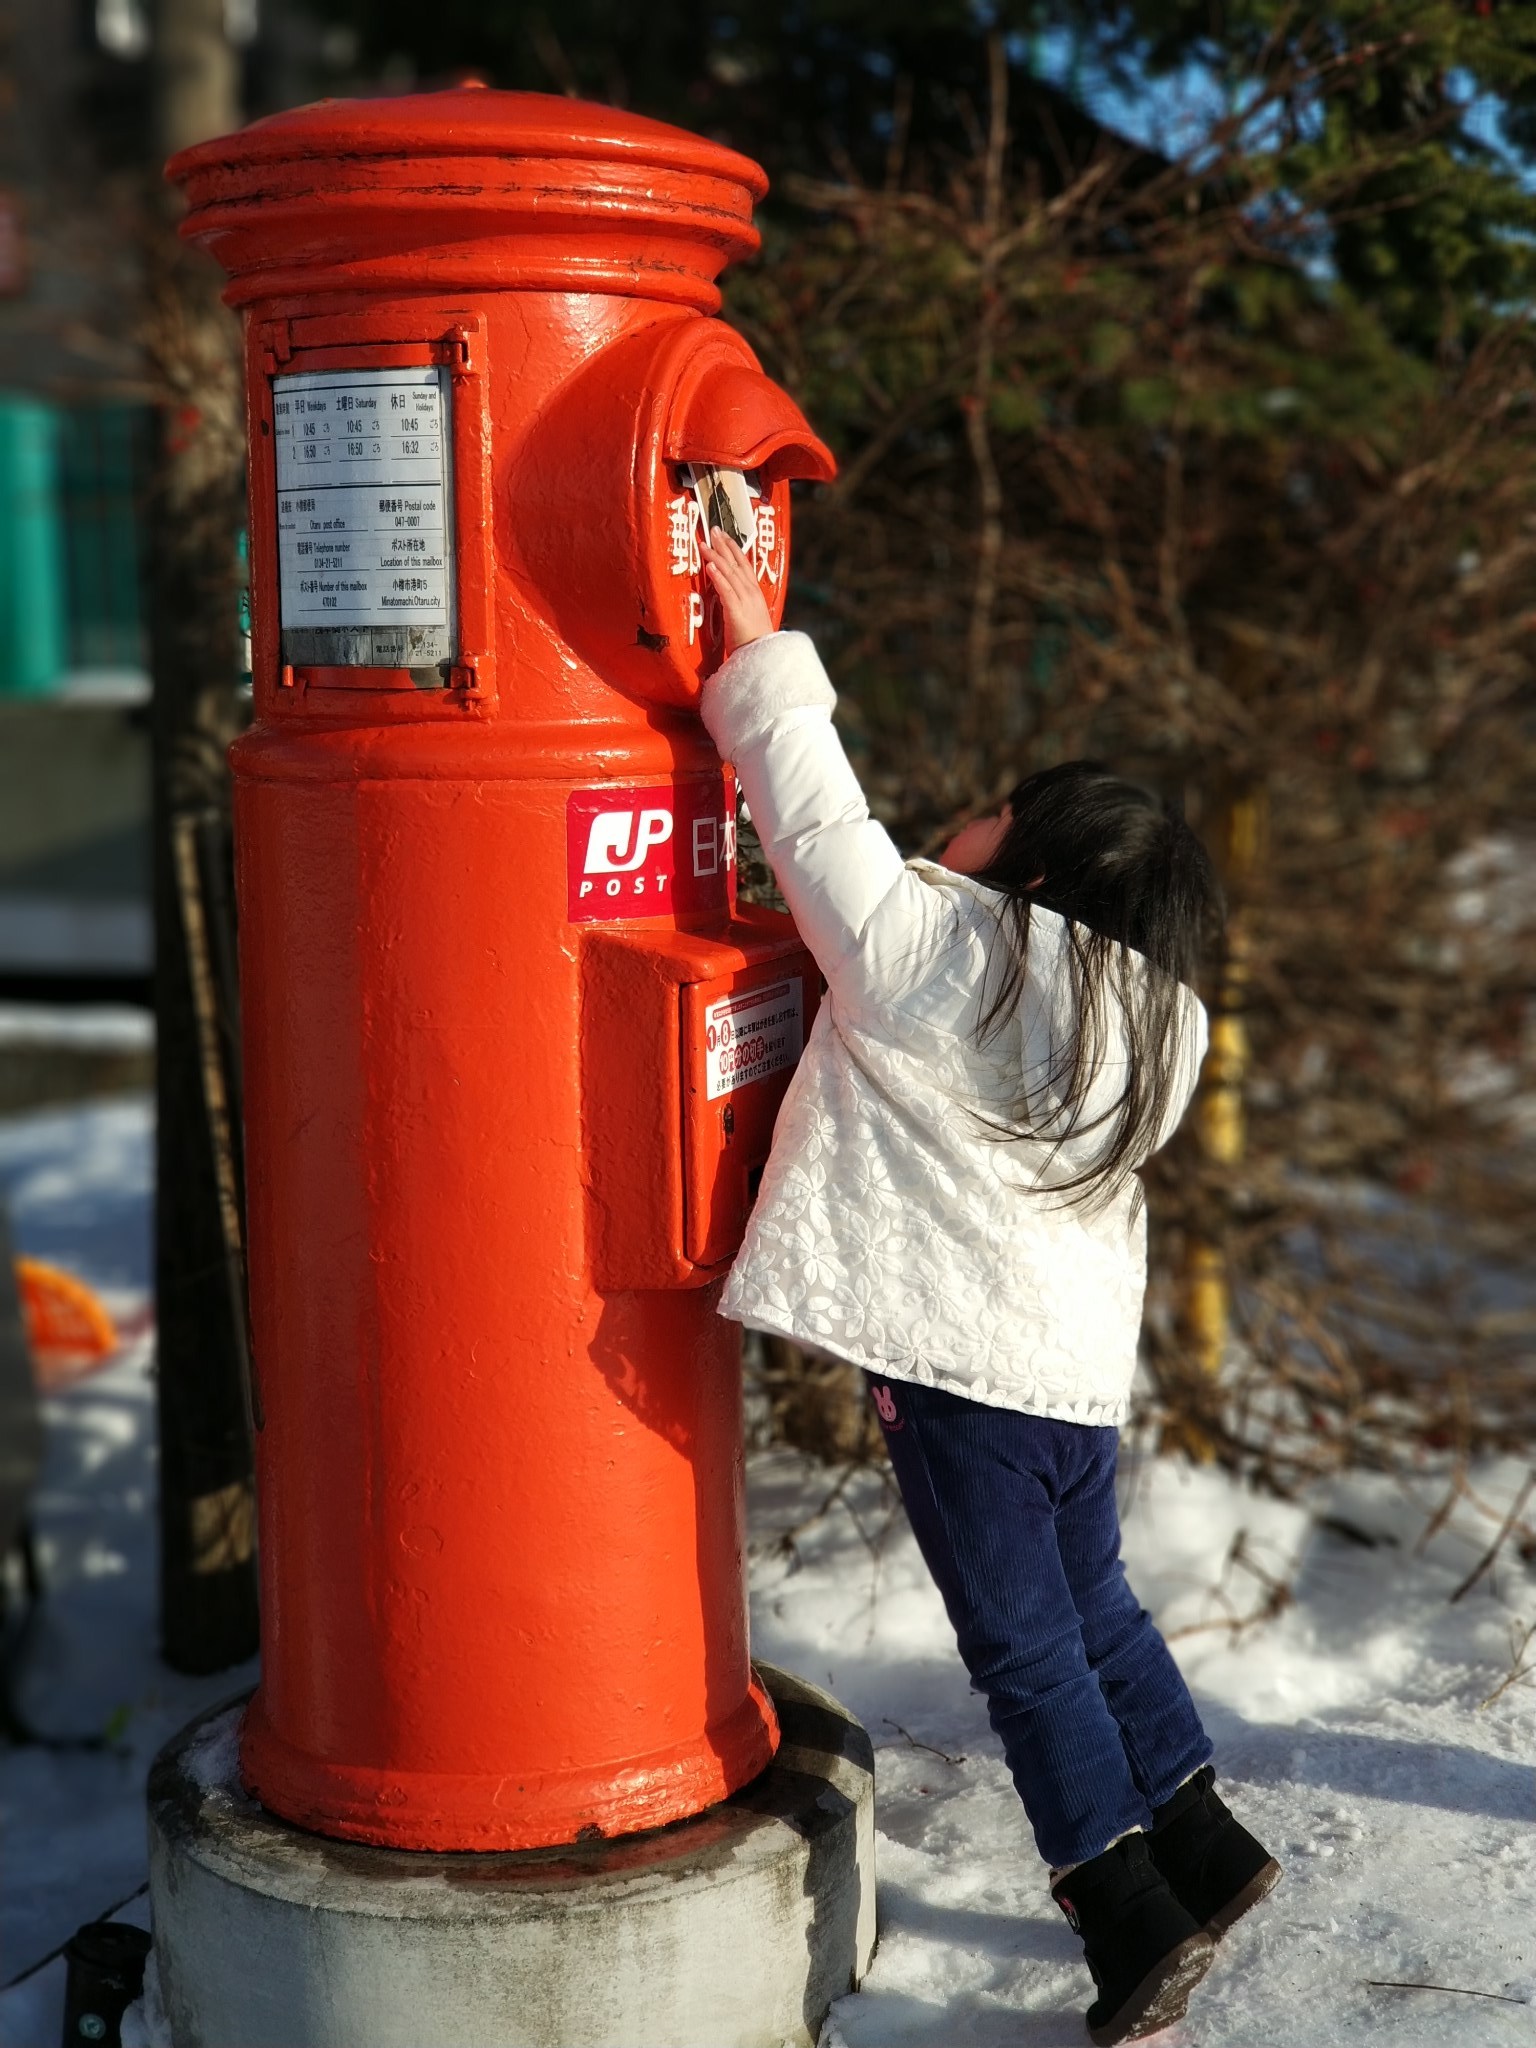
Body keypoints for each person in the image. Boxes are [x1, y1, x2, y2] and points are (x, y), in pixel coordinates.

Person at [697, 528, 1282, 2047]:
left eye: (982, 814)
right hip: (1072, 1379)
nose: (944, 826)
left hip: (958, 1376)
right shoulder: (1152, 1026)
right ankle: (1203, 1841)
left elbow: (813, 813)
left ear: (1022, 858)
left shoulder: (933, 955)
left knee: (1024, 1649)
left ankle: (1128, 1916)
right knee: (1095, 1603)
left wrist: (757, 640)